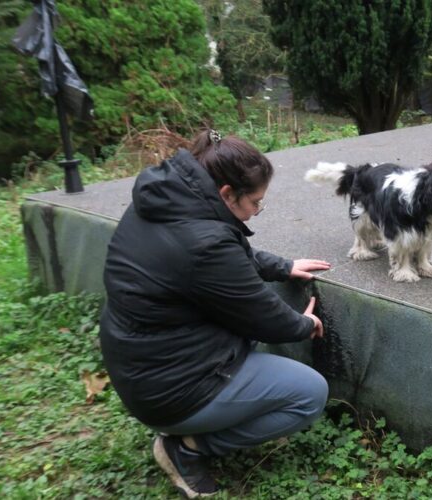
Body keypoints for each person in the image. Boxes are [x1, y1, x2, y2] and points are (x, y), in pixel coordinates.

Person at [99, 129, 331, 498]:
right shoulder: (204, 243)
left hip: (142, 364)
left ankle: (201, 423)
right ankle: (188, 448)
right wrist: (305, 323)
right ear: (226, 193)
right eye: (255, 202)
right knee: (309, 395)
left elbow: (220, 260)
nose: (257, 210)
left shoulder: (166, 200)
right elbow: (263, 315)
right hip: (170, 389)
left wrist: (281, 266)